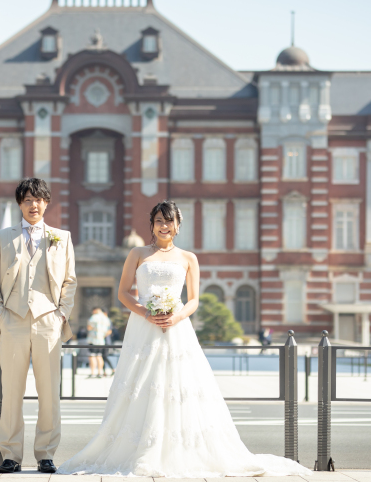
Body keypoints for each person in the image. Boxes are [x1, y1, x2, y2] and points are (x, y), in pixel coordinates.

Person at [58, 201, 310, 477]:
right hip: (143, 326)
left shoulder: (188, 258)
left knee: (178, 384)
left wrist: (176, 317)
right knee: (142, 382)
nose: (163, 226)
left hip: (177, 329)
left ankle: (177, 450)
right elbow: (123, 293)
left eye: (168, 221)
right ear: (152, 225)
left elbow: (193, 300)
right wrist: (146, 313)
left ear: (178, 225)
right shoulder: (137, 253)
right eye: (158, 221)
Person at [0, 178, 76, 474]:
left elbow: (69, 281)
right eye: (27, 200)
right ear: (20, 204)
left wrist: (61, 313)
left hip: (48, 321)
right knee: (11, 392)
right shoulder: (2, 237)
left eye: (38, 200)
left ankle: (46, 454)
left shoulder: (61, 237)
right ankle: (10, 455)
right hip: (12, 321)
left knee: (49, 392)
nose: (33, 205)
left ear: (46, 203)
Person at [86, 307, 110, 378]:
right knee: (99, 356)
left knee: (92, 356)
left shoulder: (94, 317)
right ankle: (100, 372)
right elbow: (107, 330)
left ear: (95, 310)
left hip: (93, 340)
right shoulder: (106, 318)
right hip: (101, 340)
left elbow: (89, 327)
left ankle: (93, 373)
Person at [101, 309, 116, 375]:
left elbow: (109, 331)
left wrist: (101, 336)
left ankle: (112, 369)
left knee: (104, 356)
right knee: (102, 357)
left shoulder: (107, 320)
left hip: (106, 341)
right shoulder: (102, 320)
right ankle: (104, 371)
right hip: (101, 341)